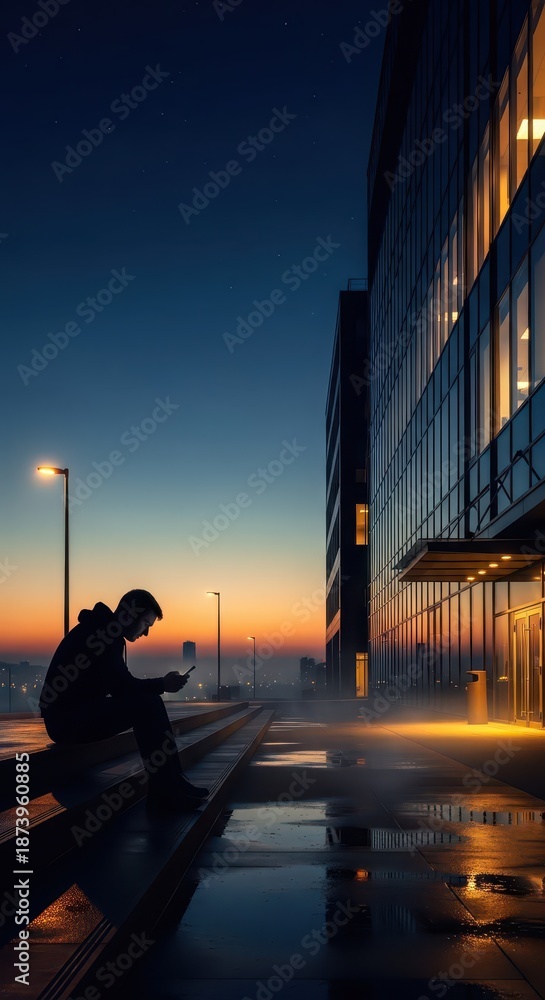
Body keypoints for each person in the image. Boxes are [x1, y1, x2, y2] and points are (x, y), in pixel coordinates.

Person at [39, 589, 209, 813]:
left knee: (148, 702)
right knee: (147, 704)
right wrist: (162, 685)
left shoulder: (103, 630)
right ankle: (166, 792)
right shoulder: (103, 635)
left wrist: (159, 686)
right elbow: (122, 688)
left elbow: (121, 686)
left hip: (72, 716)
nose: (146, 633)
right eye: (146, 623)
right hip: (67, 722)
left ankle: (172, 785)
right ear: (130, 615)